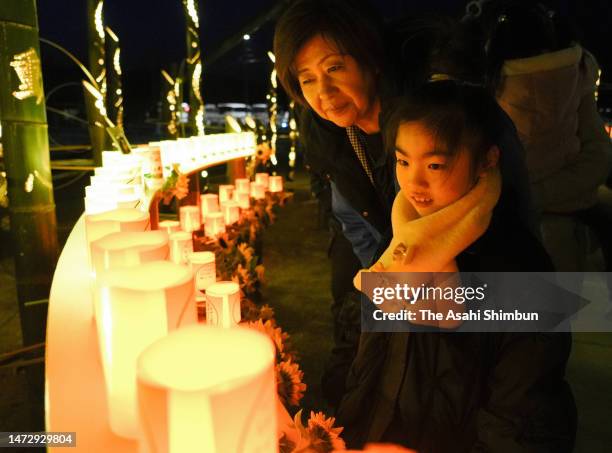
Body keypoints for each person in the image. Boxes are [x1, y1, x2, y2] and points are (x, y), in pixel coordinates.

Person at [273, 0, 538, 409]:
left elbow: (512, 224)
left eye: (335, 68)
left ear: (371, 59)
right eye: (306, 79)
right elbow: (353, 236)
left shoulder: (439, 114)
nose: (323, 93)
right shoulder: (330, 136)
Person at [336, 81, 576, 452]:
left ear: (487, 160)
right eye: (402, 161)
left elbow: (522, 422)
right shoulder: (401, 238)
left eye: (435, 164)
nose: (413, 182)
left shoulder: (519, 267)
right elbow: (370, 358)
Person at [483, 1, 612, 315]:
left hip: (500, 208)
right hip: (570, 202)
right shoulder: (576, 73)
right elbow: (597, 155)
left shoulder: (486, 82)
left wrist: (525, 197)